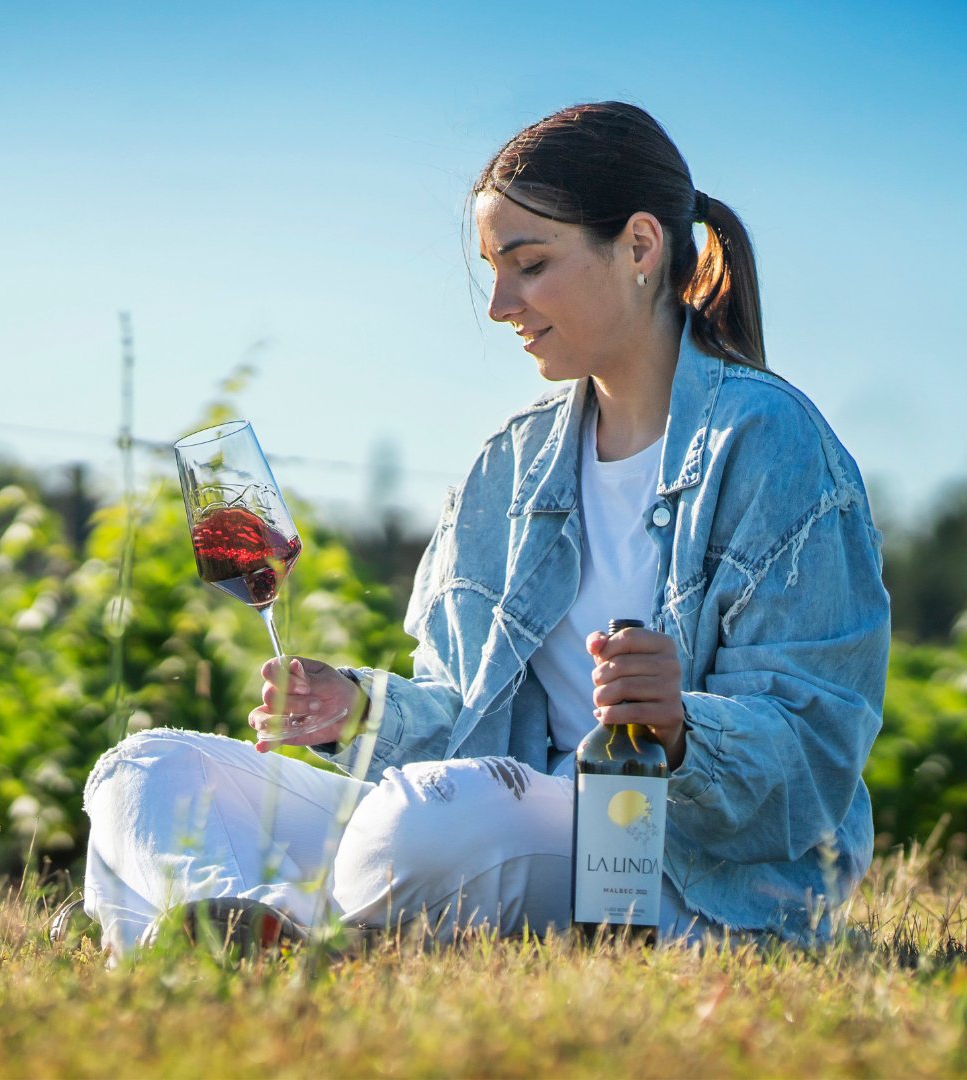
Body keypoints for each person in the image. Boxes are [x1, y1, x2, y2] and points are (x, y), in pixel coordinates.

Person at [82, 102, 890, 957]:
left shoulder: (772, 446)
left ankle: (214, 924)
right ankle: (245, 931)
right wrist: (358, 709)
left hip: (670, 864)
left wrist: (684, 730)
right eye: (491, 270)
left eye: (530, 264)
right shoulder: (508, 465)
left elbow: (816, 751)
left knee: (430, 821)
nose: (501, 303)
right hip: (496, 820)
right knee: (142, 769)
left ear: (641, 248)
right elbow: (467, 727)